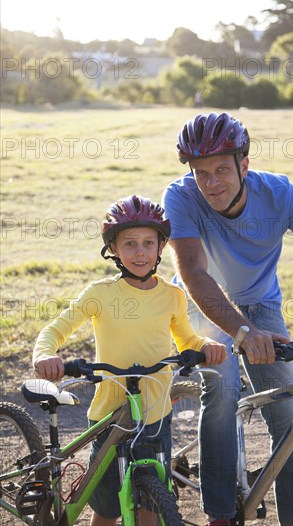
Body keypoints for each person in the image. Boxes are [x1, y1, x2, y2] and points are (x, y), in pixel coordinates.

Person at [161, 112, 293, 526]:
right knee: (221, 394)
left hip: (261, 304)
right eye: (201, 173)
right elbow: (194, 274)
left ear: (244, 164)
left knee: (286, 416)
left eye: (221, 169)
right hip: (207, 304)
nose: (212, 183)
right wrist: (242, 332)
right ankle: (220, 513)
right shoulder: (181, 197)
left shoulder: (280, 194)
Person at [33, 194, 227, 526]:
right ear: (115, 250)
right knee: (107, 509)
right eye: (130, 244)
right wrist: (45, 354)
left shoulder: (172, 295)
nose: (140, 252)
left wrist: (207, 345)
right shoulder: (101, 293)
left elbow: (187, 340)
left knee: (151, 503)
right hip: (111, 416)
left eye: (148, 243)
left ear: (160, 247)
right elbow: (57, 328)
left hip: (155, 413)